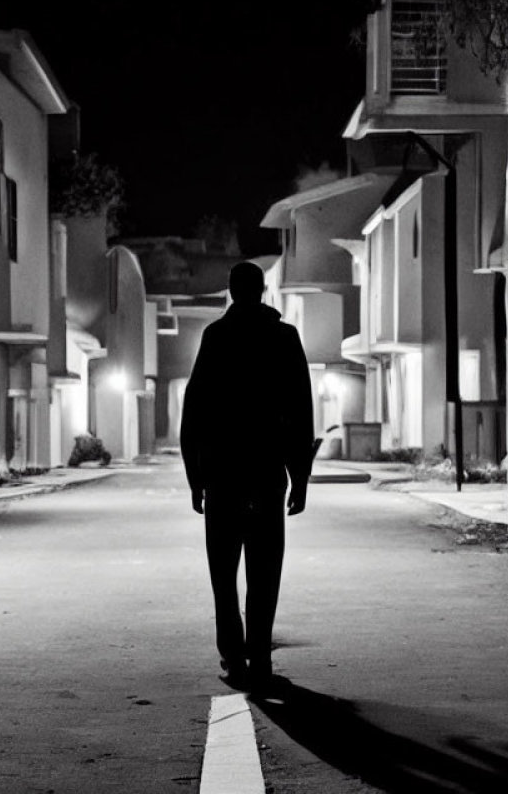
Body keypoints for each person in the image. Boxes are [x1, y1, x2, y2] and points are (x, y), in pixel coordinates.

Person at [180, 260, 314, 692]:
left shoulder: (216, 337)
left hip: (222, 474)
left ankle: (233, 657)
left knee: (224, 571)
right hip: (266, 472)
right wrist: (301, 475)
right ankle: (259, 658)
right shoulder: (284, 337)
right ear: (262, 291)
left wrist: (194, 476)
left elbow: (195, 409)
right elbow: (299, 410)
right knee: (264, 569)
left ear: (232, 291)